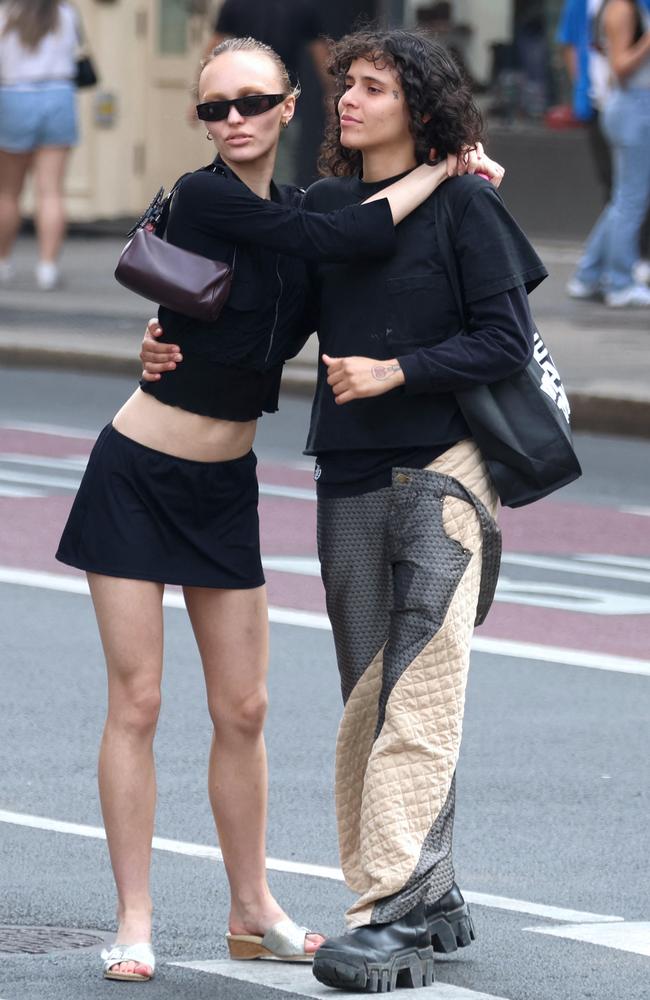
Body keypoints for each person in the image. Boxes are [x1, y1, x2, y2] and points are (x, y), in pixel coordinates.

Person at [55, 34, 481, 983]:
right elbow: (349, 237)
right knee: (140, 699)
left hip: (223, 487)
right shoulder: (212, 197)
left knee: (243, 707)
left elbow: (362, 249)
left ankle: (253, 910)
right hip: (137, 471)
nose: (235, 120)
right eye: (216, 108)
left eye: (253, 102)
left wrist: (461, 177)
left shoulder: (302, 208)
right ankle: (134, 916)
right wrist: (444, 167)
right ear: (202, 121)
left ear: (291, 106)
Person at [140, 27, 543, 994]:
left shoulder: (465, 212)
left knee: (421, 695)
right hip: (349, 476)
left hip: (445, 473)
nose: (349, 100)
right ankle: (431, 890)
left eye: (372, 86)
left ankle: (386, 913)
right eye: (346, 84)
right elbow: (270, 306)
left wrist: (402, 368)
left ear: (422, 106)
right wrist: (161, 344)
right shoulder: (327, 207)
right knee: (372, 701)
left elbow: (505, 340)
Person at [567, 0, 650, 307]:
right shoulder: (622, 9)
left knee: (624, 199)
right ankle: (619, 281)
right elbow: (621, 66)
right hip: (634, 108)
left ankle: (589, 274)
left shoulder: (623, 8)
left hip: (631, 107)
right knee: (630, 200)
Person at [200, 0, 330, 185]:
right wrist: (333, 96)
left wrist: (200, 94)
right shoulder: (302, 5)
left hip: (241, 101)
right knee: (281, 170)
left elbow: (213, 49)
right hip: (279, 100)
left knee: (232, 163)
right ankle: (275, 210)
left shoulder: (235, 4)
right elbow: (321, 56)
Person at [0, 0, 83, 290]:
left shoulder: (5, 13)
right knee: (50, 191)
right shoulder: (66, 13)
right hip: (58, 96)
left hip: (14, 96)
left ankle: (3, 262)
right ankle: (47, 268)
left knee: (8, 191)